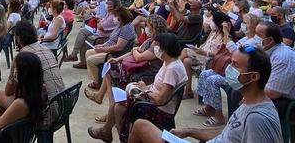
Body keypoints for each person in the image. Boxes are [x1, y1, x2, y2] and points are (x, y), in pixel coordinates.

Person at [129, 46, 283, 143]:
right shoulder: (247, 102)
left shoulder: (257, 118)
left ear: (253, 76)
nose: (228, 68)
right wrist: (189, 131)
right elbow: (230, 135)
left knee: (140, 126)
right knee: (141, 125)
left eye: (235, 65)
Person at [88, 33, 187, 143]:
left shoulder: (171, 69)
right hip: (154, 101)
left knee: (119, 106)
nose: (155, 48)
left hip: (160, 109)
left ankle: (119, 135)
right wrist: (144, 87)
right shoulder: (169, 63)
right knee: (119, 104)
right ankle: (119, 135)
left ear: (165, 48)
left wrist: (145, 90)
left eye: (157, 46)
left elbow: (160, 99)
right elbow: (159, 87)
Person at [0, 21, 64, 127]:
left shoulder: (22, 56)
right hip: (62, 106)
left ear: (18, 38)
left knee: (0, 96)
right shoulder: (47, 49)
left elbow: (8, 91)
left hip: (45, 113)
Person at [85, 15, 168, 105]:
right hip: (139, 67)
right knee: (110, 66)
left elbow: (139, 57)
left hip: (146, 72)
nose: (145, 28)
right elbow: (134, 52)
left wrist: (134, 49)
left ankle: (111, 104)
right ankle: (104, 99)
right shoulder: (150, 40)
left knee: (110, 70)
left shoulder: (158, 44)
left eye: (147, 26)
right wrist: (117, 59)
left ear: (154, 28)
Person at [256, 21, 295, 117]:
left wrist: (251, 93)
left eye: (258, 35)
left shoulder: (282, 58)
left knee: (254, 110)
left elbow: (272, 93)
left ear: (270, 40)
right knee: (239, 93)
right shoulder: (269, 50)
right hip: (282, 96)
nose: (255, 38)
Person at [181, 9, 230, 99]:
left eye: (213, 21)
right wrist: (198, 49)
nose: (211, 22)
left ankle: (173, 68)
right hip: (201, 55)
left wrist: (203, 52)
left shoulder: (225, 37)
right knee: (186, 61)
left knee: (185, 50)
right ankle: (188, 91)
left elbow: (221, 55)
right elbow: (204, 43)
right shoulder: (213, 32)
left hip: (210, 59)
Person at [86, 7, 137, 88]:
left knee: (91, 60)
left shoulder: (127, 28)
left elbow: (119, 47)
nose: (114, 18)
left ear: (121, 17)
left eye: (116, 16)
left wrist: (103, 49)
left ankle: (97, 83)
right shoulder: (120, 25)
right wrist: (102, 45)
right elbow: (111, 39)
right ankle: (97, 78)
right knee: (88, 52)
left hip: (116, 54)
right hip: (109, 49)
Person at [68, 0, 120, 68]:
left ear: (114, 5)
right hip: (99, 31)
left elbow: (101, 26)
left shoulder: (113, 16)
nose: (107, 5)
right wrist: (99, 20)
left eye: (109, 4)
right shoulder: (109, 13)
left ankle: (75, 55)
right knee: (82, 34)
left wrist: (99, 21)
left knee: (82, 32)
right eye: (107, 3)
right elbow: (102, 20)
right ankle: (80, 59)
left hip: (103, 35)